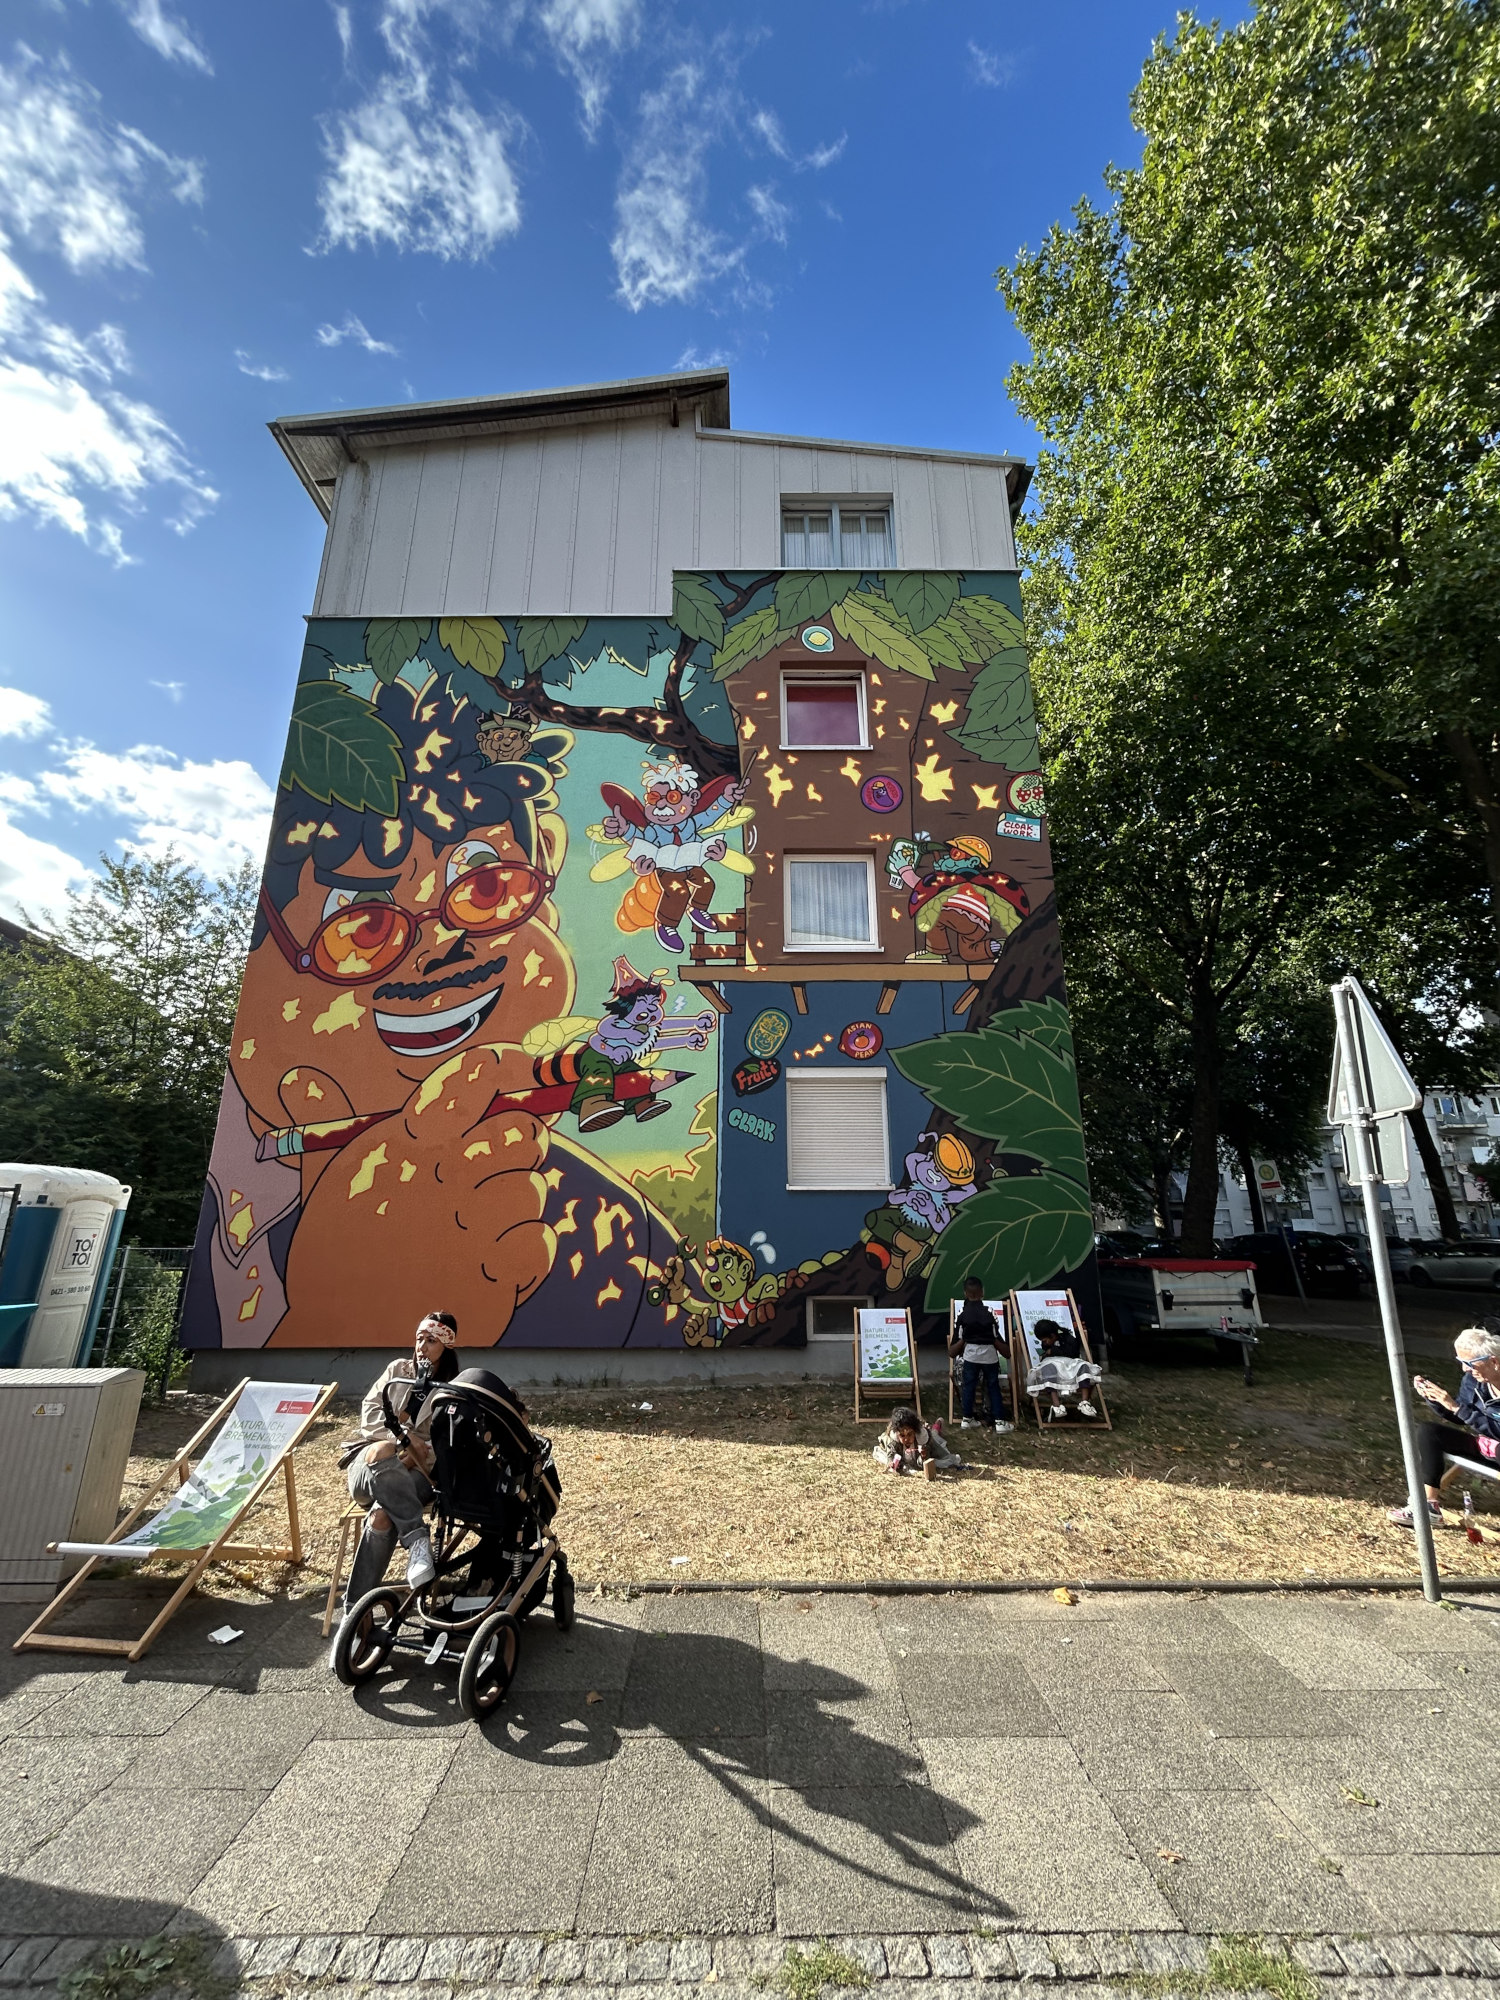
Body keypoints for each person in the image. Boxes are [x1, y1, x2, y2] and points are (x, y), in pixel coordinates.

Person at [342, 1312, 461, 1607]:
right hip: (370, 1465)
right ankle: (417, 1538)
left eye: (431, 1341)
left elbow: (445, 1442)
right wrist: (402, 1440)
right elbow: (370, 1414)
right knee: (383, 1451)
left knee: (382, 1517)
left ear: (446, 1346)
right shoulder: (397, 1370)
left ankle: (355, 1612)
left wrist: (414, 1456)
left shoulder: (453, 1387)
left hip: (419, 1472)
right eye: (419, 1338)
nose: (422, 1346)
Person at [1388, 1325, 1500, 1528]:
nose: (1465, 1369)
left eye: (1469, 1363)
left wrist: (1457, 1408)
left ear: (1494, 1362)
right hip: (1488, 1447)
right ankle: (1428, 1506)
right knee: (1429, 1432)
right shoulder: (1472, 1381)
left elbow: (1466, 1414)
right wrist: (1436, 1400)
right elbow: (1462, 1416)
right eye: (1461, 1362)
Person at [948, 1276, 1014, 1432]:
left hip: (970, 1354)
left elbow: (959, 1337)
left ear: (965, 1293)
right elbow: (995, 1334)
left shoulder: (962, 1313)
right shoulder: (989, 1312)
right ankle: (1000, 1422)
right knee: (993, 1386)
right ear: (982, 1292)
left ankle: (967, 1419)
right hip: (989, 1354)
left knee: (969, 1386)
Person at [1026, 1316, 1103, 1423]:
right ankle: (1057, 1405)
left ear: (1052, 1336)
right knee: (1048, 1370)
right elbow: (1046, 1353)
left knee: (1084, 1367)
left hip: (1069, 1365)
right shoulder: (1047, 1344)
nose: (1044, 1343)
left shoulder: (1068, 1338)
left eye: (1045, 1340)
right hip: (1054, 1365)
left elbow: (1072, 1353)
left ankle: (1085, 1402)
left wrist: (1053, 1351)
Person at [872, 1404, 963, 1479]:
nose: (906, 1439)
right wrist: (891, 1462)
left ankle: (937, 1426)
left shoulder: (922, 1438)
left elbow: (924, 1463)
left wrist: (923, 1456)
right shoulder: (893, 1439)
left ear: (915, 1432)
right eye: (902, 1436)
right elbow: (891, 1454)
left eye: (909, 1434)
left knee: (936, 1438)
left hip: (931, 1440)